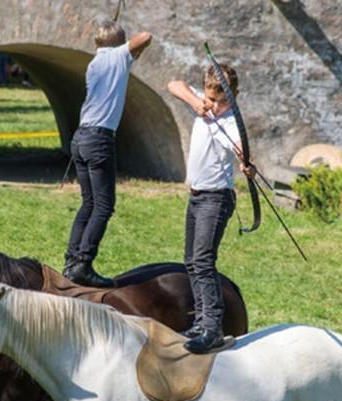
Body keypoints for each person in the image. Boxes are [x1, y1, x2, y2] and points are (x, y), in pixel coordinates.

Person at [167, 63, 255, 354]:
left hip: (216, 198)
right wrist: (196, 102)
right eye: (212, 99)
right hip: (197, 196)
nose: (216, 106)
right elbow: (174, 84)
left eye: (223, 101)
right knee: (191, 260)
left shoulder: (230, 122)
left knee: (203, 262)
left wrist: (246, 162)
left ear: (234, 97)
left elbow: (241, 147)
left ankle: (213, 328)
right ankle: (201, 321)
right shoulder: (202, 102)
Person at [63, 20, 152, 287]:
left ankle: (71, 261)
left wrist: (125, 49)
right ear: (117, 43)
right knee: (103, 206)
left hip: (81, 138)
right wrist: (126, 46)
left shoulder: (96, 63)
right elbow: (146, 36)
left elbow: (135, 49)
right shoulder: (116, 57)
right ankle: (83, 263)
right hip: (100, 139)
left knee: (88, 204)